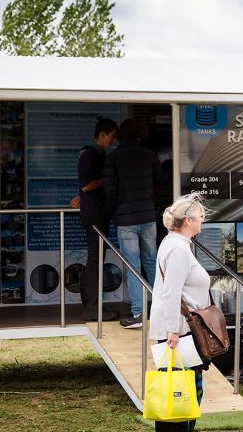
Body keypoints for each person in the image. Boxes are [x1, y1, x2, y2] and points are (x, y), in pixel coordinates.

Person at [149, 193, 211, 432]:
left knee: (189, 380)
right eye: (200, 217)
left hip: (183, 327)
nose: (203, 221)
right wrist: (173, 330)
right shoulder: (176, 248)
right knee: (175, 383)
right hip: (179, 328)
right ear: (188, 221)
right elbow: (171, 292)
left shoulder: (177, 244)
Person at [104, 119, 168, 329]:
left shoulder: (113, 158)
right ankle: (162, 310)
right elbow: (161, 178)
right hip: (148, 217)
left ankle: (138, 314)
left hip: (125, 220)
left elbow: (110, 190)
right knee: (151, 262)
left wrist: (111, 212)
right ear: (140, 133)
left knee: (132, 266)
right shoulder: (148, 155)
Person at [69, 117, 118, 321]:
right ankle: (92, 308)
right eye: (112, 137)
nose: (113, 141)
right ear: (103, 134)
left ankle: (94, 307)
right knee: (95, 260)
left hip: (97, 212)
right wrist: (108, 179)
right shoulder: (89, 153)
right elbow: (87, 185)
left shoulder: (96, 153)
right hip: (94, 214)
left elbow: (84, 188)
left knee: (97, 259)